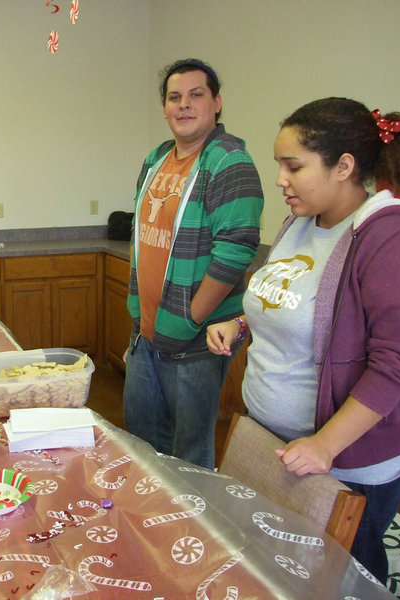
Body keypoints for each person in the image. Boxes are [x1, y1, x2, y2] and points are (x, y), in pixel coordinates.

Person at [207, 97, 400, 584]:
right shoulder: (301, 221)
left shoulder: (384, 237)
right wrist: (242, 325)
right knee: (283, 571)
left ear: (344, 167)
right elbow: (288, 299)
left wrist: (324, 444)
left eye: (293, 166)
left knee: (346, 577)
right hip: (275, 442)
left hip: (340, 462)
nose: (280, 180)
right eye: (280, 165)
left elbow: (394, 365)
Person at [123, 58, 264, 469]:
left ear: (217, 103)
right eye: (174, 97)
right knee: (142, 448)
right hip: (145, 337)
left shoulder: (228, 163)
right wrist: (140, 323)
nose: (184, 105)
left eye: (196, 95)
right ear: (165, 108)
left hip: (194, 343)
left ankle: (190, 534)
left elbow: (236, 251)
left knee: (189, 458)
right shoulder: (156, 160)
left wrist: (190, 318)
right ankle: (150, 528)